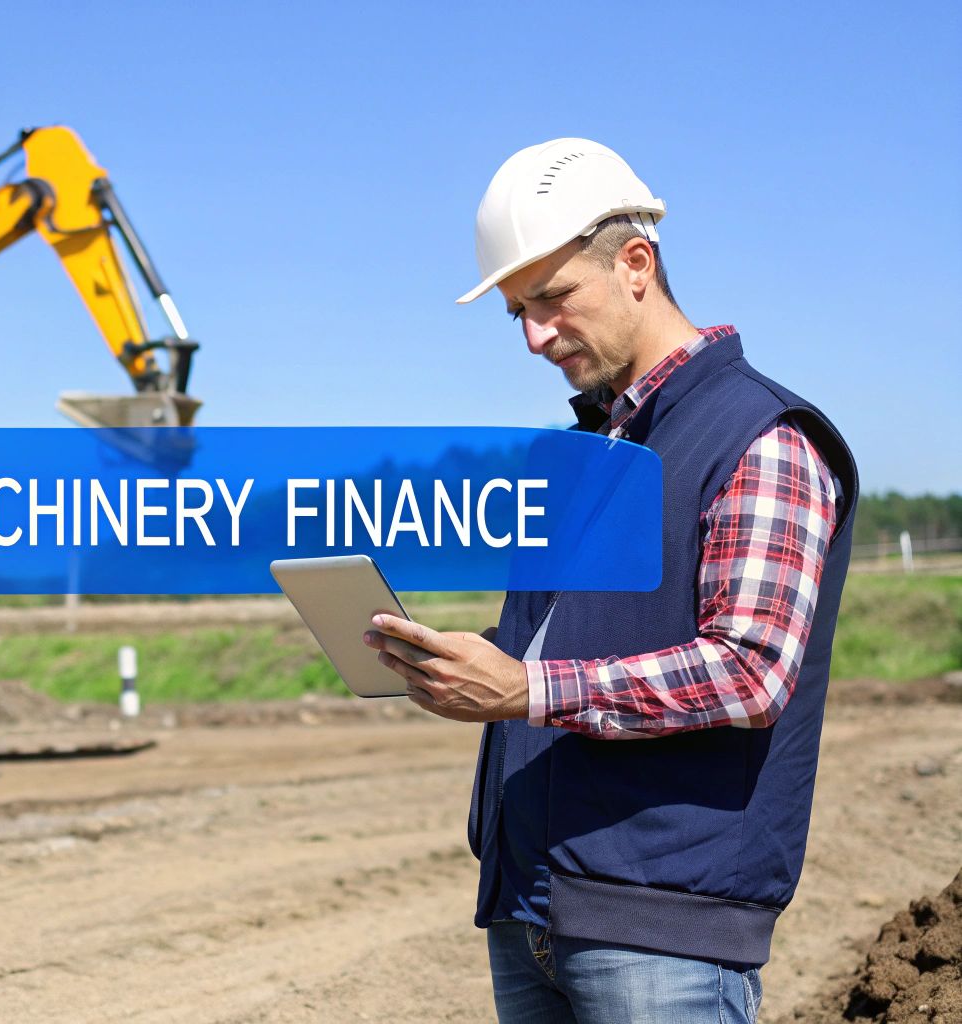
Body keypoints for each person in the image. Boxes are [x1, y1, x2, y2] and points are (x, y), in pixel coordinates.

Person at [361, 138, 858, 1023]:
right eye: (516, 311)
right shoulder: (583, 461)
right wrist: (459, 669)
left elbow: (751, 672)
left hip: (663, 928)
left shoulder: (759, 437)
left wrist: (525, 688)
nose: (534, 337)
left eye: (552, 299)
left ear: (636, 264)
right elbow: (552, 656)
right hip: (527, 908)